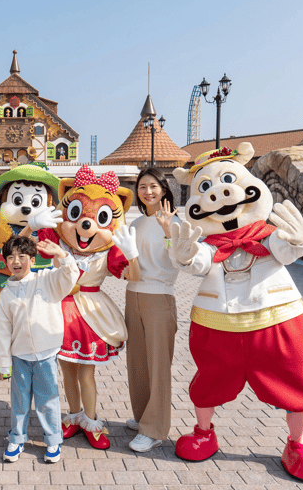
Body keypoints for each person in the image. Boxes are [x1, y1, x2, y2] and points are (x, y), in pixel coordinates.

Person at [0, 236, 80, 463]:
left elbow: (70, 275)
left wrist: (61, 255)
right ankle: (17, 438)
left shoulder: (46, 279)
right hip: (20, 356)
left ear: (32, 260)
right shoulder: (6, 293)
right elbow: (2, 330)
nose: (16, 262)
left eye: (22, 257)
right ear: (5, 262)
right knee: (20, 400)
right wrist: (4, 362)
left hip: (46, 354)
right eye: (11, 257)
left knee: (48, 399)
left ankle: (53, 441)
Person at [124, 167, 180, 452]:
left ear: (164, 189)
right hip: (132, 295)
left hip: (159, 297)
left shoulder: (173, 222)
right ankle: (143, 415)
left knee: (158, 365)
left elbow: (178, 260)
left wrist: (169, 231)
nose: (147, 191)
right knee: (137, 362)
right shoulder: (135, 224)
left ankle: (155, 428)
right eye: (142, 187)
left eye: (153, 186)